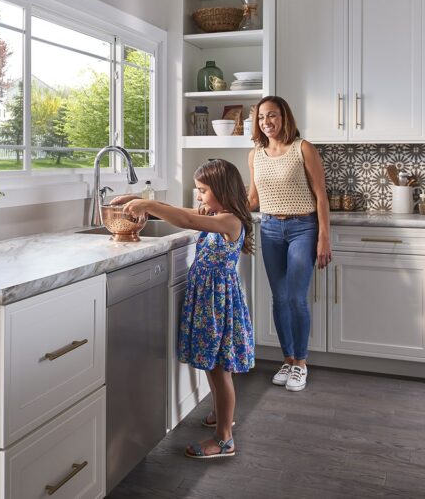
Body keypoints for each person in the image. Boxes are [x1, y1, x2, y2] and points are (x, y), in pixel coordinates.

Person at [112, 159, 254, 459]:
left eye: (203, 190)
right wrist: (140, 201)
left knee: (219, 370)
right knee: (214, 366)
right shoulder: (215, 213)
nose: (199, 196)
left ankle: (225, 439)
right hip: (209, 301)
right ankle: (221, 416)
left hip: (216, 304)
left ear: (222, 190)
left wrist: (146, 204)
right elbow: (180, 211)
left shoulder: (230, 221)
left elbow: (186, 220)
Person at [247, 96, 331, 392]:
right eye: (261, 117)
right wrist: (219, 208)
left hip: (302, 228)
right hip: (269, 229)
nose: (266, 122)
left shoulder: (302, 148)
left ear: (284, 117)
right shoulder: (255, 155)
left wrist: (324, 237)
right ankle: (287, 359)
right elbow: (253, 199)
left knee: (296, 298)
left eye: (272, 115)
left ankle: (301, 364)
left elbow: (321, 195)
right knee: (279, 298)